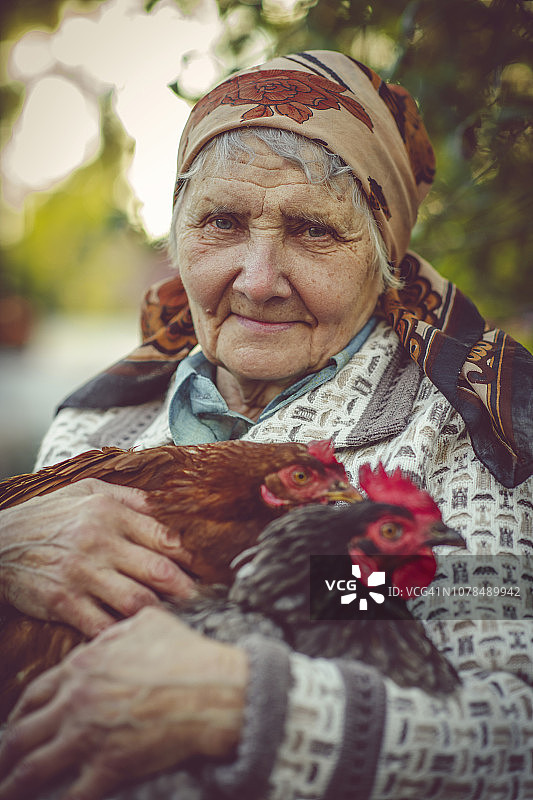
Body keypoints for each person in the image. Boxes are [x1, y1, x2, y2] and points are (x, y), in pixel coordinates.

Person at [0, 50, 532, 800]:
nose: (257, 279)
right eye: (222, 221)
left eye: (313, 230)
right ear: (177, 233)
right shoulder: (96, 420)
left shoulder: (472, 440)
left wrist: (245, 704)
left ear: (383, 255)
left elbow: (512, 736)